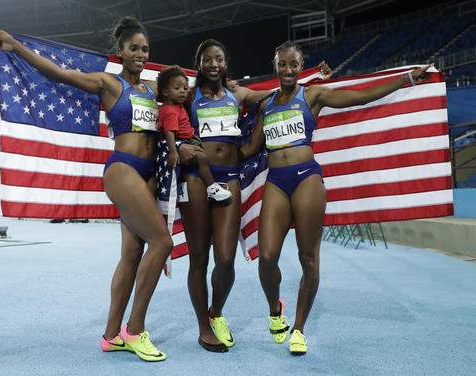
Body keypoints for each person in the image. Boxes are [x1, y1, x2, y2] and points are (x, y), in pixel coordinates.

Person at [0, 16, 200, 362]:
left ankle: (111, 334)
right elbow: (59, 73)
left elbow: (184, 95)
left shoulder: (150, 91)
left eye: (145, 49)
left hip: (148, 175)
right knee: (162, 242)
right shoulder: (109, 83)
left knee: (132, 255)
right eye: (134, 48)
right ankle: (135, 330)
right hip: (123, 169)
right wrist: (16, 47)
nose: (141, 54)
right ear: (121, 52)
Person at [240, 41, 430, 355]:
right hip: (276, 181)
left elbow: (359, 96)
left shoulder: (312, 95)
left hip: (307, 179)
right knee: (268, 257)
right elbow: (249, 149)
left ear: (301, 67)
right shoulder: (266, 104)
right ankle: (276, 309)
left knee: (308, 258)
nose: (288, 70)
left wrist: (406, 79)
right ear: (275, 67)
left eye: (293, 65)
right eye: (282, 65)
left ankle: (299, 329)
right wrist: (209, 152)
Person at [177, 38, 332, 352]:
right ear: (199, 63)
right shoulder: (189, 95)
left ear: (225, 63)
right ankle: (204, 327)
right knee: (198, 258)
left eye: (219, 59)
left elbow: (280, 96)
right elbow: (163, 102)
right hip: (196, 178)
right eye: (207, 59)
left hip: (230, 176)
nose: (213, 65)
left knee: (224, 258)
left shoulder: (238, 93)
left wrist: (315, 78)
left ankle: (216, 312)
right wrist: (178, 145)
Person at [156, 65, 232, 205]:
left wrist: (227, 83)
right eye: (177, 88)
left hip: (190, 139)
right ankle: (212, 188)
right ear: (165, 91)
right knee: (202, 158)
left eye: (185, 88)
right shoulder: (170, 110)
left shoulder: (177, 105)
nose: (183, 92)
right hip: (183, 141)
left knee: (203, 157)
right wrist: (173, 151)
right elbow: (169, 132)